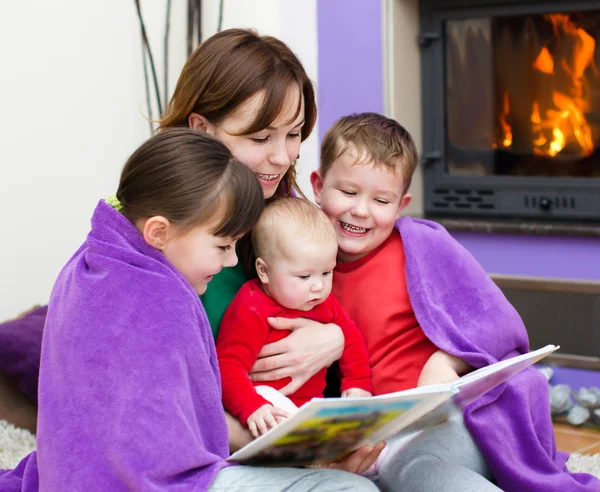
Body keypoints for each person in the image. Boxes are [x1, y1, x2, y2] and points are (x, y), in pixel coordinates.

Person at [0, 28, 349, 453]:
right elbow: (155, 408)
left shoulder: (283, 212)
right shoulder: (142, 241)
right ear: (202, 129)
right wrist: (297, 451)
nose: (283, 156)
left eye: (294, 134)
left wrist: (335, 338)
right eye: (260, 138)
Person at [0, 129, 382, 491]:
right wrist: (301, 458)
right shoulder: (159, 298)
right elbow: (175, 451)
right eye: (222, 246)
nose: (233, 261)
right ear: (159, 232)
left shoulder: (92, 259)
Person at [309, 112, 600, 491]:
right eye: (348, 192)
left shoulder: (423, 245)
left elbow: (501, 328)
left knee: (410, 467)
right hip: (381, 430)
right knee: (384, 470)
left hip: (459, 416)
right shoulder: (307, 263)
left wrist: (445, 359)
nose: (361, 210)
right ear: (317, 186)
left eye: (381, 200)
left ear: (401, 205)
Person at [216, 197, 372, 439]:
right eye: (304, 276)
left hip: (310, 409)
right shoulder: (252, 307)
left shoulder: (324, 303)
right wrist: (252, 407)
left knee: (355, 429)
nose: (318, 286)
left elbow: (351, 338)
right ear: (264, 271)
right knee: (276, 409)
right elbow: (228, 366)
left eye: (327, 272)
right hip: (267, 405)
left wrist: (358, 384)